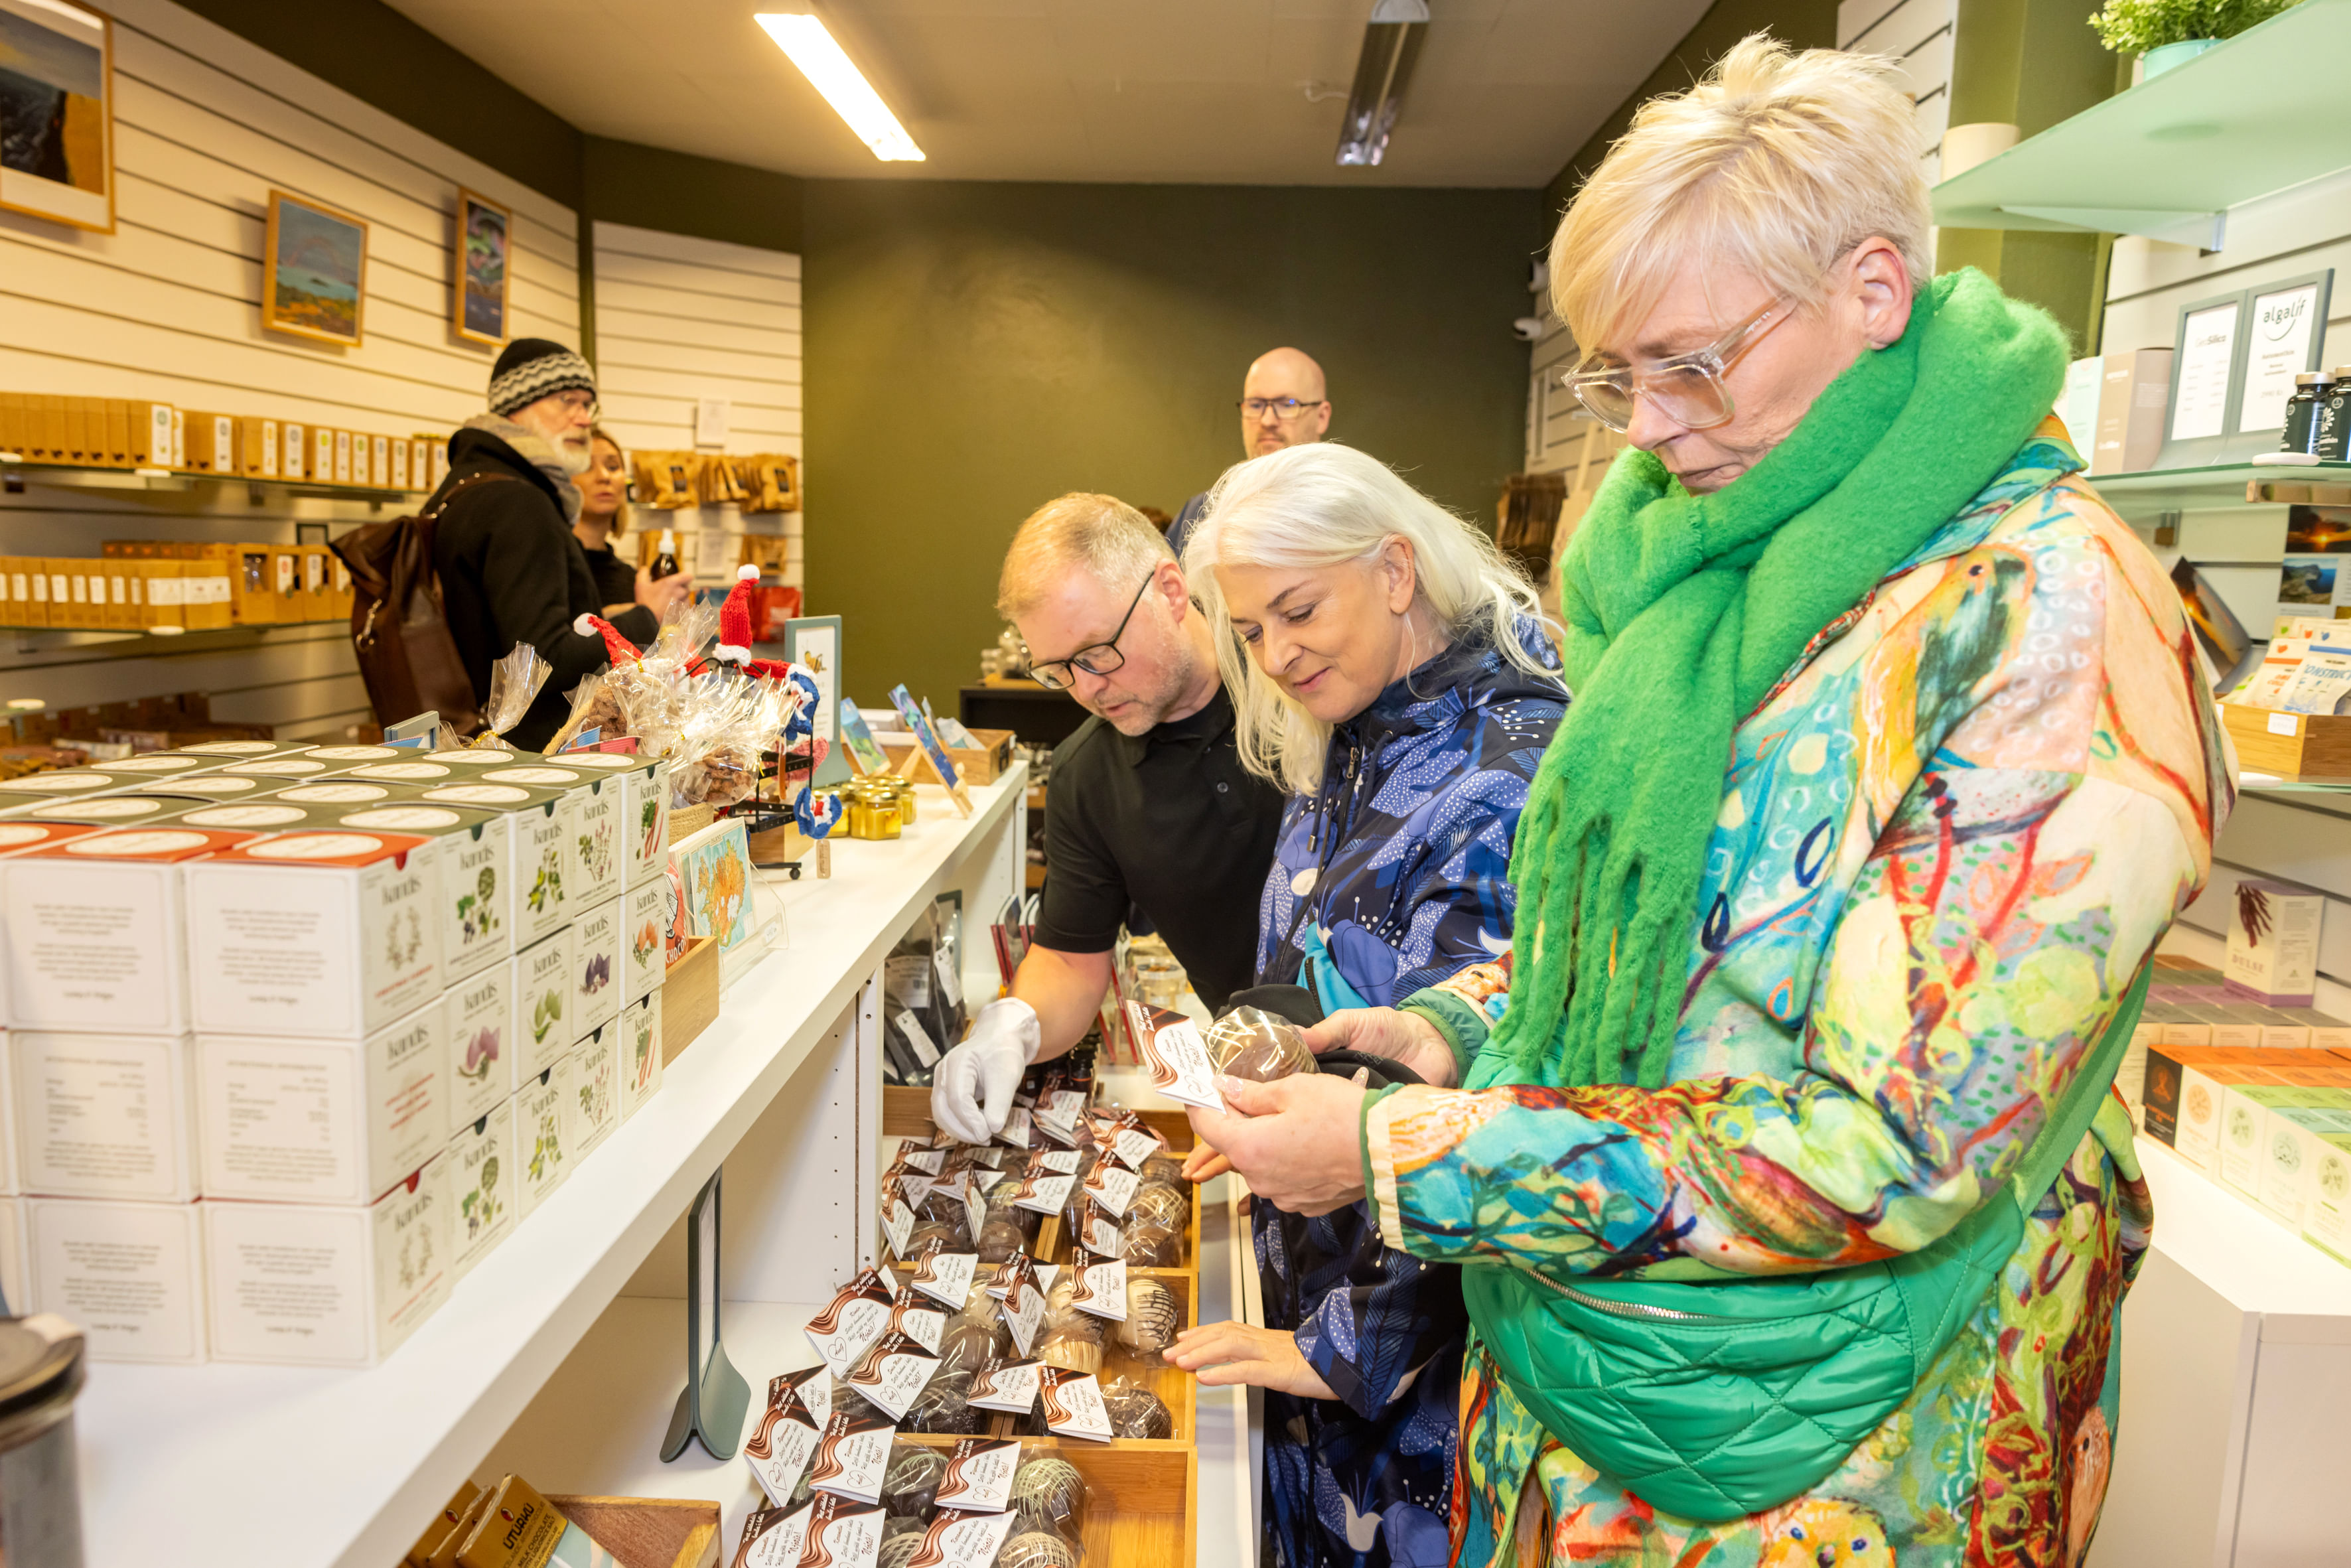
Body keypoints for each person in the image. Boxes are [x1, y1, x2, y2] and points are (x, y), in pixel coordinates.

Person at [1186, 37, 2230, 1568]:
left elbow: (1886, 1145)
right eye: (1619, 373)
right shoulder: (1709, 568)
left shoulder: (2044, 625)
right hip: (1594, 1388)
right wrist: (1459, 1023)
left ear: (1872, 291)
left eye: (1690, 364)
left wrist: (1406, 1151)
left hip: (1841, 1460)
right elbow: (1676, 929)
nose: (1645, 428)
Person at [1167, 441, 1567, 1568]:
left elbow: (1502, 1110)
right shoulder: (1352, 725)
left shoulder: (1509, 765)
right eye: (1249, 630)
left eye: (1297, 611)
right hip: (1314, 1298)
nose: (1275, 655)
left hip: (1415, 1384)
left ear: (1395, 570)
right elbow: (1329, 980)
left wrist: (1344, 1347)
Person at [928, 494, 1285, 1143]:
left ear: (1170, 591)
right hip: (1263, 1082)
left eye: (1096, 652)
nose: (1086, 688)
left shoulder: (1293, 676)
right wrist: (1013, 1024)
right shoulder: (1087, 774)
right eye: (1057, 670)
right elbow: (1070, 960)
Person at [428, 339, 683, 747]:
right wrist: (644, 616)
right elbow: (543, 663)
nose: (583, 419)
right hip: (529, 757)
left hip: (472, 747)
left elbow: (502, 634)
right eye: (567, 401)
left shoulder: (462, 489)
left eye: (588, 405)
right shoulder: (520, 502)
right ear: (516, 405)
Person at [1165, 346, 1332, 559]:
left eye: (1287, 404)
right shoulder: (1198, 516)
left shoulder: (1349, 513)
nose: (1267, 421)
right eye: (1256, 405)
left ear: (1321, 417)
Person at [573, 424, 691, 628]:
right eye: (586, 467)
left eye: (613, 467)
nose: (604, 476)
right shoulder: (552, 568)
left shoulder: (632, 581)